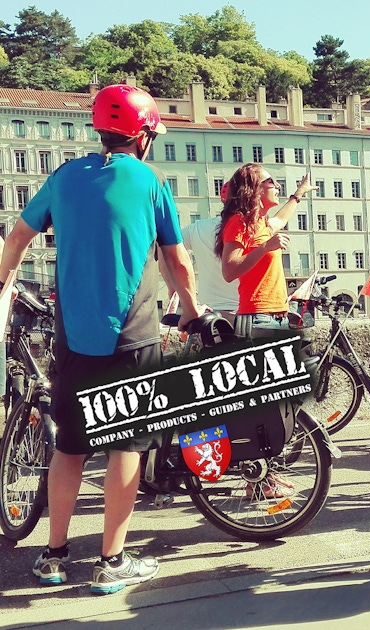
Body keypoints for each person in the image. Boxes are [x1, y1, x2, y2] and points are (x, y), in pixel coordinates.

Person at [0, 84, 202, 594]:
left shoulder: (64, 177)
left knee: (69, 447)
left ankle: (53, 555)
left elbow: (17, 237)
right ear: (145, 134)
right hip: (132, 336)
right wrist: (194, 311)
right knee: (125, 447)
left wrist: (2, 282)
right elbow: (176, 260)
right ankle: (112, 562)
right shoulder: (149, 180)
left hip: (72, 340)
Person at [216, 164, 315, 339]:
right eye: (271, 181)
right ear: (254, 188)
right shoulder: (239, 222)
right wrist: (265, 247)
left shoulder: (261, 223)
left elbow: (281, 219)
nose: (277, 186)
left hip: (277, 317)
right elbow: (229, 271)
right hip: (257, 319)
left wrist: (299, 194)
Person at [175, 182, 239, 323]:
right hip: (245, 314)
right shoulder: (256, 229)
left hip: (208, 315)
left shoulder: (198, 228)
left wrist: (174, 287)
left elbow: (167, 247)